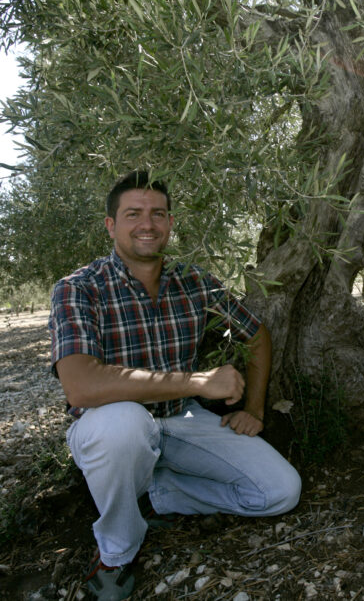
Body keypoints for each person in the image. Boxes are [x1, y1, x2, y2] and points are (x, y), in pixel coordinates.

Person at [49, 171, 300, 599]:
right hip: (110, 428)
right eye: (133, 214)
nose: (147, 224)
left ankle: (157, 493)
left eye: (157, 214)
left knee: (280, 492)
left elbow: (256, 335)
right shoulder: (79, 288)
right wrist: (198, 381)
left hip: (182, 421)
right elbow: (81, 386)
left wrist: (254, 409)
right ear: (111, 225)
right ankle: (116, 554)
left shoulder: (193, 282)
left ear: (169, 222)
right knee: (124, 424)